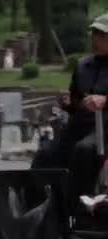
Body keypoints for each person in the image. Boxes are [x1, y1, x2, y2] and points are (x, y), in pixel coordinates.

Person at [31, 13, 108, 212]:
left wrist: (105, 101)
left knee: (83, 151)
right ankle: (39, 206)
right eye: (94, 34)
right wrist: (68, 104)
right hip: (81, 124)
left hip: (105, 127)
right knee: (45, 154)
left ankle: (78, 207)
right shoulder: (83, 66)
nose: (96, 40)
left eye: (102, 35)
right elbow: (76, 102)